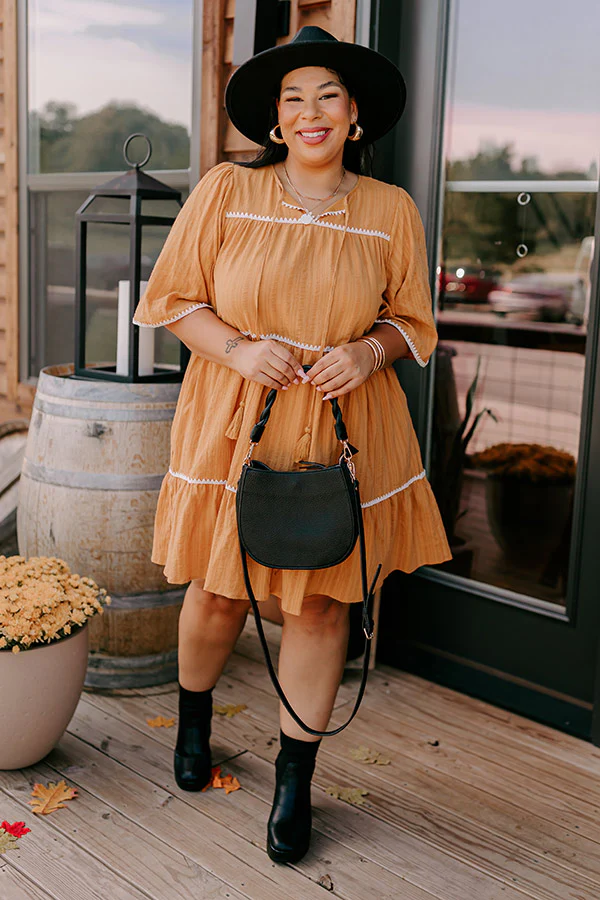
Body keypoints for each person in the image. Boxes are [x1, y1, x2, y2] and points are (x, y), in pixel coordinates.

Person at [132, 25, 452, 864]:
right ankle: (194, 723)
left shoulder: (391, 211)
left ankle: (294, 780)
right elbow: (175, 299)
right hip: (238, 413)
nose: (310, 112)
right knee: (217, 591)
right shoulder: (225, 193)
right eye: (293, 98)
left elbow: (412, 321)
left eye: (329, 97)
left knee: (319, 603)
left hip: (347, 419)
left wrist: (367, 350)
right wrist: (239, 348)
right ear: (276, 121)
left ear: (354, 118)